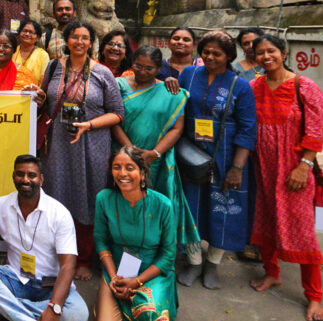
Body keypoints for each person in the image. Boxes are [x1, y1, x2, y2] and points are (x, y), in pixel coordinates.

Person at [32, 21, 124, 280]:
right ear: (66, 40)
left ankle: (84, 259)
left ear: (91, 43)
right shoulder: (53, 67)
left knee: (88, 198)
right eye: (75, 37)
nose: (80, 42)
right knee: (56, 195)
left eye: (85, 38)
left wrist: (90, 124)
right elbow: (46, 103)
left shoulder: (102, 73)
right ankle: (56, 257)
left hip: (91, 143)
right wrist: (38, 97)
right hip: (58, 144)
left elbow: (118, 113)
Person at [0, 155, 88, 321]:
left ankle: (6, 308)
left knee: (79, 315)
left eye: (31, 175)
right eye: (20, 174)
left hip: (50, 287)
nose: (25, 179)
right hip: (16, 280)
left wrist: (54, 308)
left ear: (41, 179)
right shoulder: (2, 205)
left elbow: (68, 266)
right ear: (13, 177)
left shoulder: (59, 213)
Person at [249, 33, 323, 321]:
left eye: (271, 51)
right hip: (262, 167)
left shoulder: (304, 87)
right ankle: (272, 273)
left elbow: (316, 131)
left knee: (302, 229)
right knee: (266, 218)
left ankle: (314, 296)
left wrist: (303, 165)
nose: (266, 57)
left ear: (283, 52)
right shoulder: (253, 87)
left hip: (294, 168)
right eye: (260, 52)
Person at [94, 147, 184, 321]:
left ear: (143, 173)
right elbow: (101, 242)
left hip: (152, 272)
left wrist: (136, 282)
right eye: (117, 167)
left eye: (130, 168)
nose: (122, 173)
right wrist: (114, 278)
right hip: (117, 269)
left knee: (146, 310)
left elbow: (167, 256)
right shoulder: (104, 198)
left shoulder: (163, 204)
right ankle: (131, 317)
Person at [177, 30, 257, 290]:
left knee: (222, 210)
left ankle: (213, 265)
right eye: (206, 52)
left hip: (226, 155)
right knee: (190, 207)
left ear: (229, 56)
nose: (210, 57)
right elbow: (176, 104)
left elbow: (247, 128)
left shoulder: (240, 85)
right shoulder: (188, 74)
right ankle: (194, 261)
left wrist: (237, 167)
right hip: (190, 153)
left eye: (217, 53)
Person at [112, 46, 201, 250]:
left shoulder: (171, 93)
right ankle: (120, 256)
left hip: (155, 162)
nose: (142, 72)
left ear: (159, 68)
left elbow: (177, 128)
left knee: (151, 210)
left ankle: (151, 256)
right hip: (122, 159)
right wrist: (130, 152)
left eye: (149, 68)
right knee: (122, 208)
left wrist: (154, 153)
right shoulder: (118, 85)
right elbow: (113, 119)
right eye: (138, 66)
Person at [13, 19, 50, 84]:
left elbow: (44, 80)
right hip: (11, 92)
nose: (27, 34)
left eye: (31, 32)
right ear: (19, 33)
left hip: (33, 92)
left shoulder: (43, 55)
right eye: (25, 31)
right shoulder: (12, 51)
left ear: (38, 38)